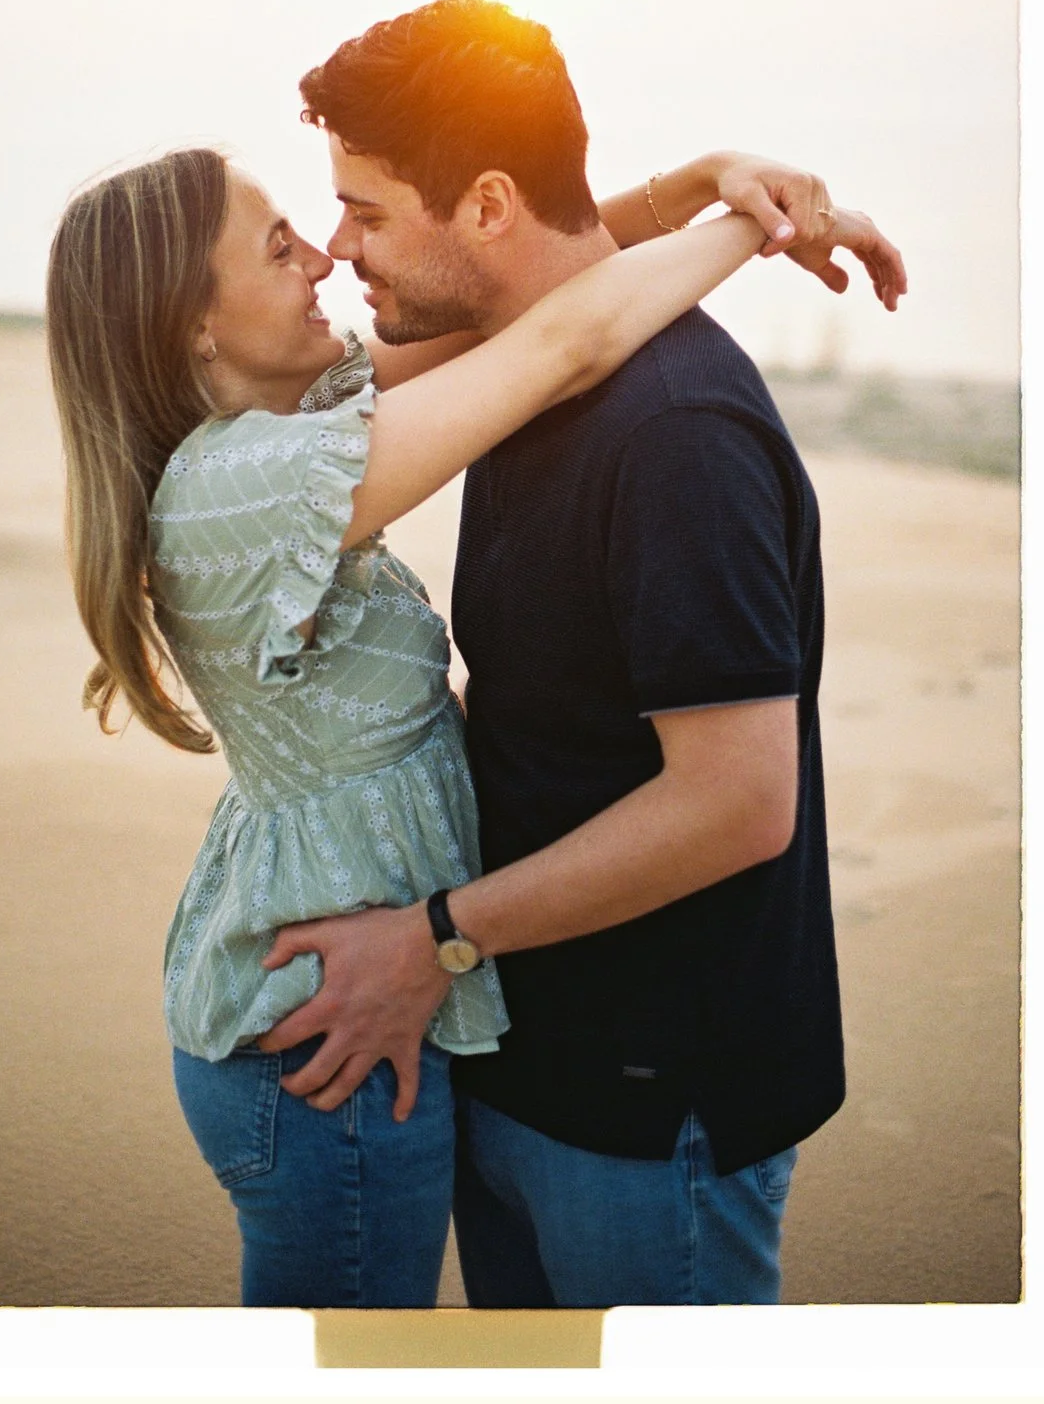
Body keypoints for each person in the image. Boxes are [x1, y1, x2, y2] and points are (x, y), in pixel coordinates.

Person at [46, 65, 900, 1307]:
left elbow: (525, 286)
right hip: (328, 1012)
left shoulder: (296, 425)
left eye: (350, 216)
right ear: (193, 325)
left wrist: (701, 182)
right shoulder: (244, 486)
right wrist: (750, 221)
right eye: (282, 245)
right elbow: (559, 338)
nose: (327, 255)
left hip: (373, 991)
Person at [242, 0, 865, 1306]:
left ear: (483, 206)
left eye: (363, 210)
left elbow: (737, 803)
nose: (340, 248)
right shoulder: (515, 372)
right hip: (516, 1051)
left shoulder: (675, 429)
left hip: (654, 1104)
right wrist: (704, 185)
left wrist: (432, 940)